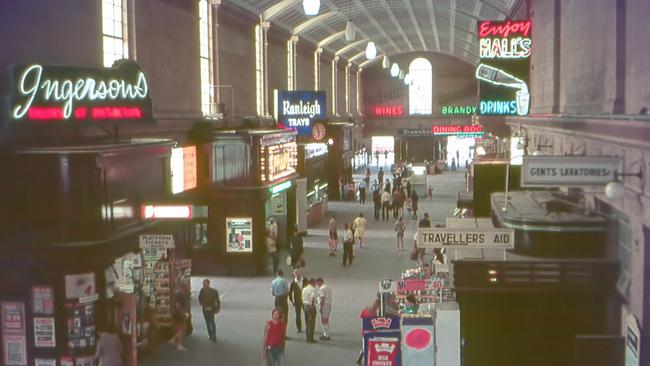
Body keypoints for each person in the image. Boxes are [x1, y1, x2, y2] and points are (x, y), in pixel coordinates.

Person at [356, 299, 380, 365]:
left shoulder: (367, 309)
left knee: (365, 346)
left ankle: (360, 359)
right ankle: (365, 360)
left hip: (366, 331)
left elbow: (362, 318)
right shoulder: (373, 314)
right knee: (366, 347)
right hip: (370, 332)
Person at [170, 282, 190, 351]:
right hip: (179, 314)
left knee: (181, 329)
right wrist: (183, 313)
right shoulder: (179, 294)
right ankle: (179, 345)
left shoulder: (177, 293)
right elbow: (178, 305)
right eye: (186, 287)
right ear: (183, 287)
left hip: (177, 313)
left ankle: (173, 340)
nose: (188, 288)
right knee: (183, 329)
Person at [288, 269, 307, 333]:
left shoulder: (305, 280)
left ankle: (308, 326)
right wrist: (292, 301)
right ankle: (299, 328)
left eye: (298, 273)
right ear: (294, 275)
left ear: (300, 273)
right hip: (297, 301)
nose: (297, 275)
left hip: (305, 300)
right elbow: (290, 293)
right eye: (296, 274)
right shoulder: (293, 283)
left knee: (307, 313)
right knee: (298, 315)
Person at [302, 278, 318, 343]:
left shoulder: (304, 289)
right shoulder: (313, 289)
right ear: (312, 282)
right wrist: (312, 305)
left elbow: (302, 298)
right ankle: (311, 339)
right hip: (310, 307)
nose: (315, 284)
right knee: (311, 323)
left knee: (307, 322)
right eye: (315, 283)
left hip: (305, 306)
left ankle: (307, 337)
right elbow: (313, 297)